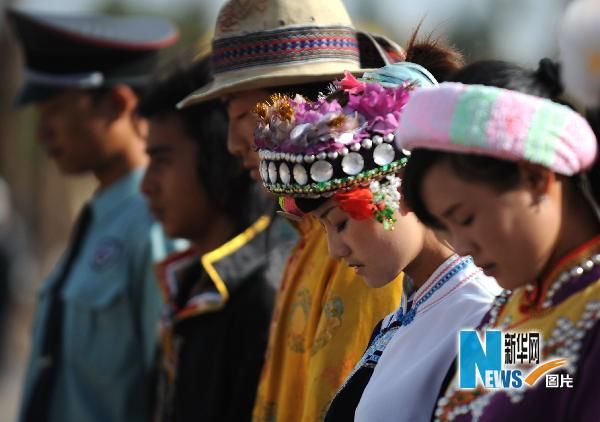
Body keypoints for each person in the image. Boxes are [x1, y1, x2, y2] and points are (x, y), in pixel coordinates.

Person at [177, 1, 414, 420]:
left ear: (303, 110)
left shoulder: (366, 250)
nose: (233, 144)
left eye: (244, 116)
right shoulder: (312, 239)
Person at [254, 45, 501, 420]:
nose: (336, 250)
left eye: (339, 223)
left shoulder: (491, 318)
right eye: (324, 229)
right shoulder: (398, 321)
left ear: (403, 186)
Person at [6, 8, 179, 422]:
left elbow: (167, 390)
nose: (43, 131)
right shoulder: (103, 214)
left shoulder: (156, 222)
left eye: (57, 110)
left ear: (118, 104)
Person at [397, 81, 600, 421]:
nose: (462, 247)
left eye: (466, 218)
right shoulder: (506, 311)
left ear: (535, 177)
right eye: (447, 228)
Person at [138, 56, 295, 422]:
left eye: (161, 162)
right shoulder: (193, 284)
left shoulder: (265, 292)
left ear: (219, 158)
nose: (146, 186)